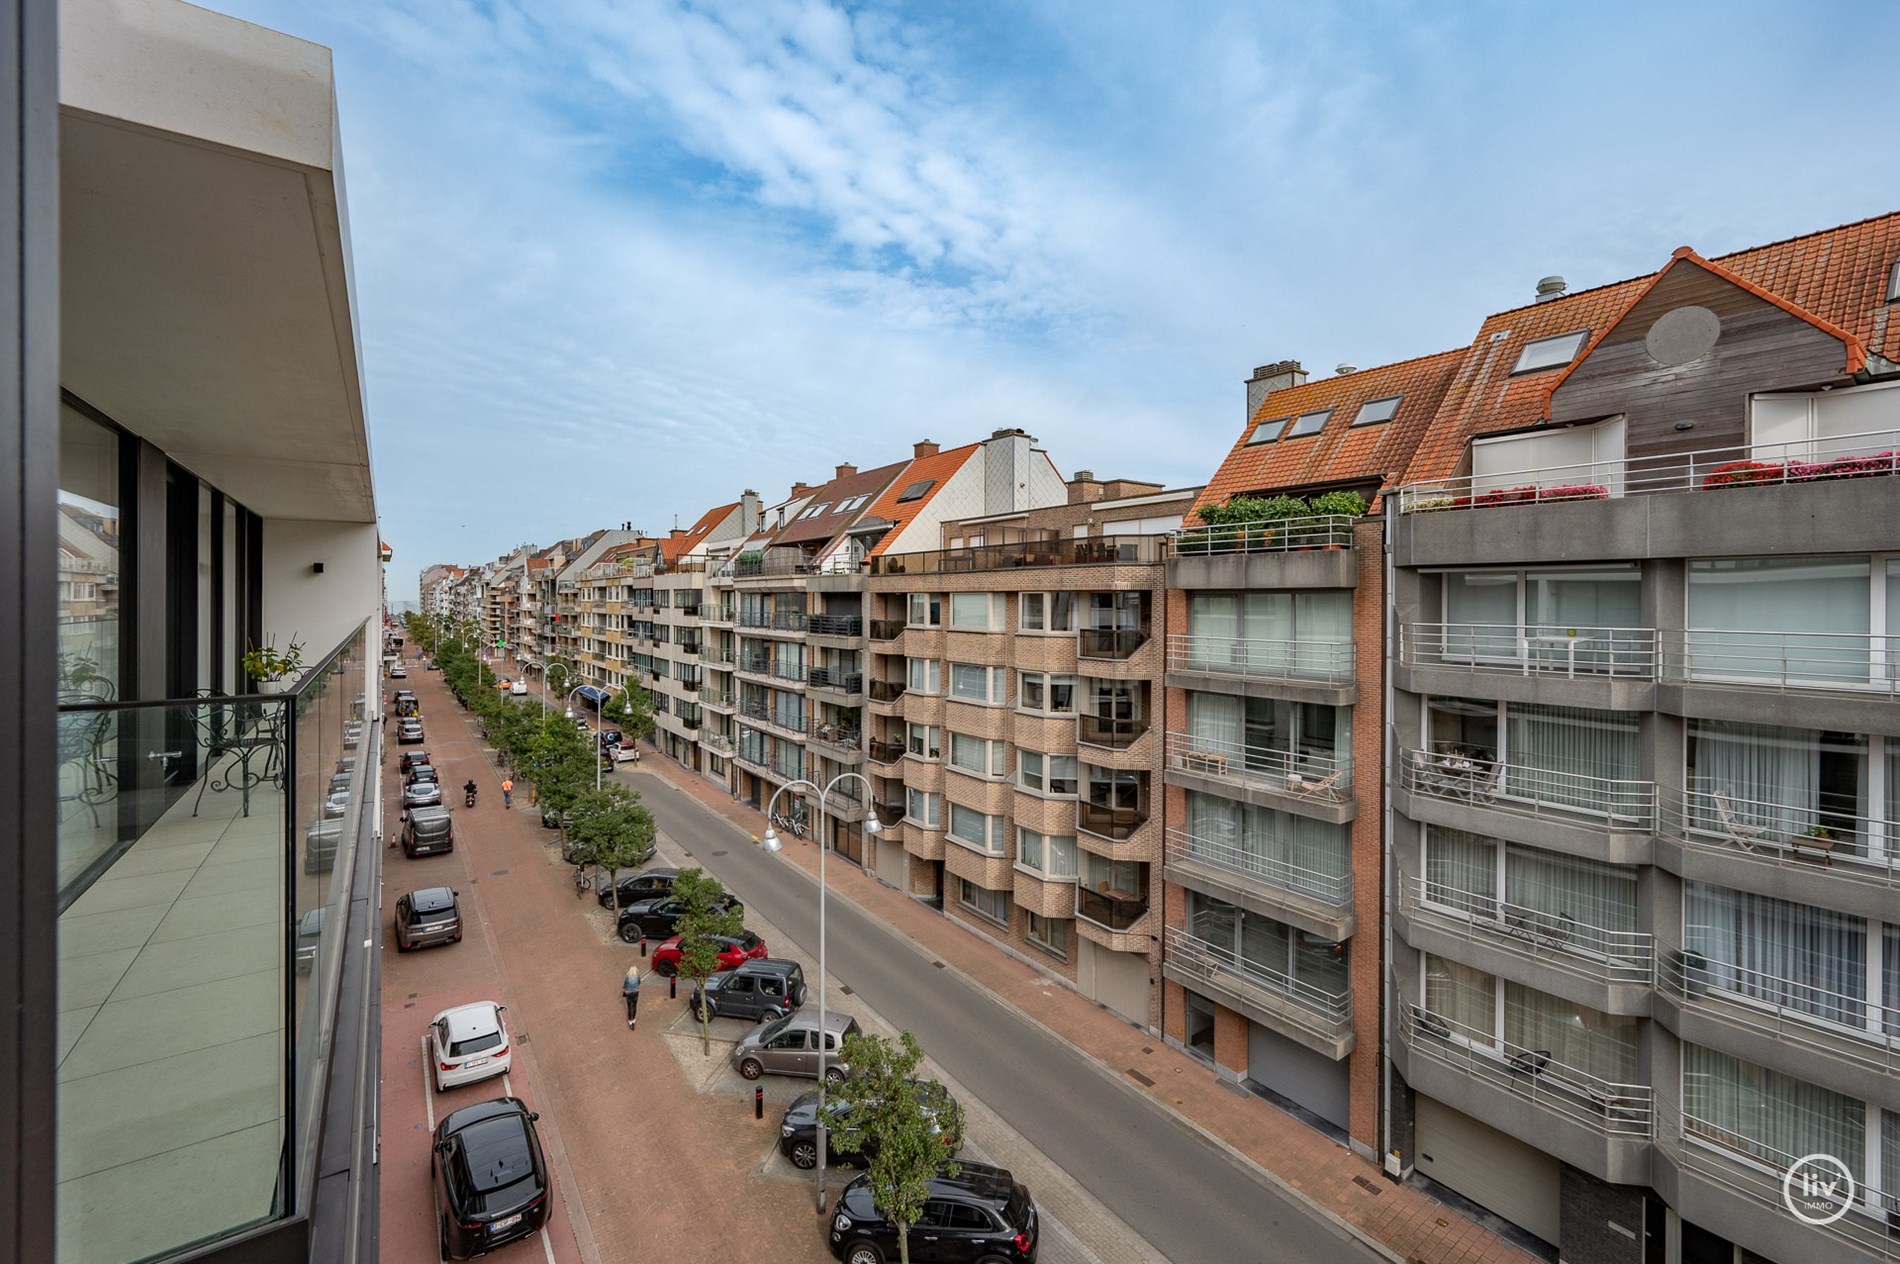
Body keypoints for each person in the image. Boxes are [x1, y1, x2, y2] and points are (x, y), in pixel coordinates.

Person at [622, 963, 642, 1029]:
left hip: (629, 993)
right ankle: (633, 1019)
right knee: (634, 1006)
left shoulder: (627, 977)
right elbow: (639, 982)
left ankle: (630, 1020)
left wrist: (625, 989)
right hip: (636, 992)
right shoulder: (637, 976)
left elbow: (624, 985)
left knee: (629, 1006)